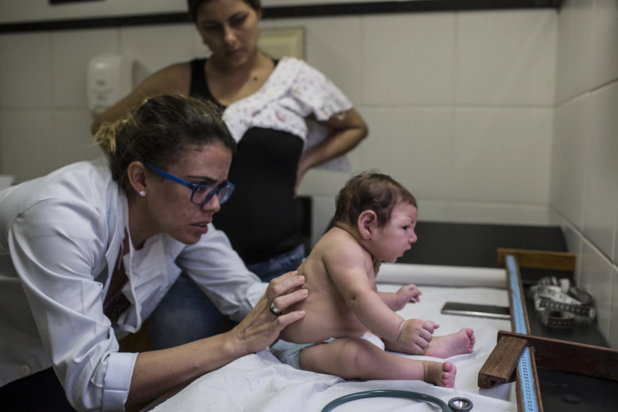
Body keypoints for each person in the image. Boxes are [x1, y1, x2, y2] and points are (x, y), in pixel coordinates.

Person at [0, 95, 309, 412]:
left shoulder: (178, 216)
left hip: (61, 361)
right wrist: (235, 341)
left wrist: (326, 306)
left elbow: (244, 293)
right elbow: (92, 380)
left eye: (219, 188)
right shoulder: (62, 218)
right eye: (199, 185)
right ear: (141, 178)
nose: (214, 204)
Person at [91, 0, 368, 350]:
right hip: (190, 262)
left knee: (296, 365)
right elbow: (107, 127)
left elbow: (353, 126)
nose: (229, 37)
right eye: (212, 27)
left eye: (239, 20)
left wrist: (304, 162)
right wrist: (146, 191)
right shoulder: (179, 79)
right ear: (196, 26)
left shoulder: (295, 80)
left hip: (280, 257)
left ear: (258, 13)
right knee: (180, 371)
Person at [271, 172, 476, 388]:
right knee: (357, 353)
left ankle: (433, 345)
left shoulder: (363, 253)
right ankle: (423, 370)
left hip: (341, 336)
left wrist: (396, 300)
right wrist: (399, 329)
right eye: (406, 227)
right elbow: (360, 298)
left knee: (377, 325)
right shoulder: (340, 246)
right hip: (302, 347)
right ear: (368, 224)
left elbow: (363, 299)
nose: (413, 237)